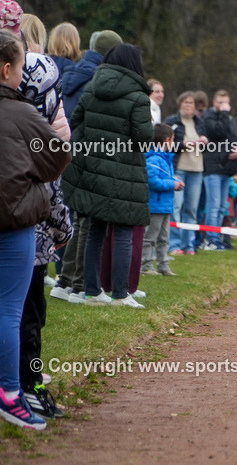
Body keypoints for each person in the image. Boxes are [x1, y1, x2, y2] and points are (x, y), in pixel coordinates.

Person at [0, 28, 70, 430]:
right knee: (10, 310)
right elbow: (58, 158)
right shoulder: (22, 112)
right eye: (20, 66)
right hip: (13, 223)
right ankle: (12, 394)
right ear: (6, 69)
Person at [63, 43, 154, 309]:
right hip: (125, 170)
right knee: (124, 231)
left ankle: (92, 291)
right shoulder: (138, 96)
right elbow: (144, 137)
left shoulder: (92, 88)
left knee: (95, 230)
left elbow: (75, 121)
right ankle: (121, 294)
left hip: (93, 169)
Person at [165, 92, 207, 255]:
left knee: (191, 209)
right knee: (176, 207)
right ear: (180, 104)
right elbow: (166, 145)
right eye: (186, 102)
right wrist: (183, 144)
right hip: (179, 169)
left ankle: (188, 245)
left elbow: (207, 147)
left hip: (197, 169)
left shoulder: (200, 123)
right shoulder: (172, 122)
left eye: (191, 103)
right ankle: (174, 245)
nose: (189, 105)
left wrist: (205, 142)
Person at [201, 90, 237, 249]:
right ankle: (211, 239)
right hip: (213, 166)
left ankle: (217, 238)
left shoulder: (229, 119)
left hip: (226, 168)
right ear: (214, 103)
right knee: (214, 205)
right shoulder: (208, 117)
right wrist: (224, 114)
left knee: (222, 207)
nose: (224, 106)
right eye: (221, 102)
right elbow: (217, 131)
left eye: (226, 103)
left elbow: (232, 137)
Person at [141, 124, 183, 276]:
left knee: (164, 238)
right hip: (156, 206)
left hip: (165, 205)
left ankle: (163, 265)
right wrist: (173, 184)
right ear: (166, 140)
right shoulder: (154, 159)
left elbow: (165, 177)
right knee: (150, 237)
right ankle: (146, 265)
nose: (174, 143)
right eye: (173, 139)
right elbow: (153, 181)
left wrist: (175, 181)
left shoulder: (166, 159)